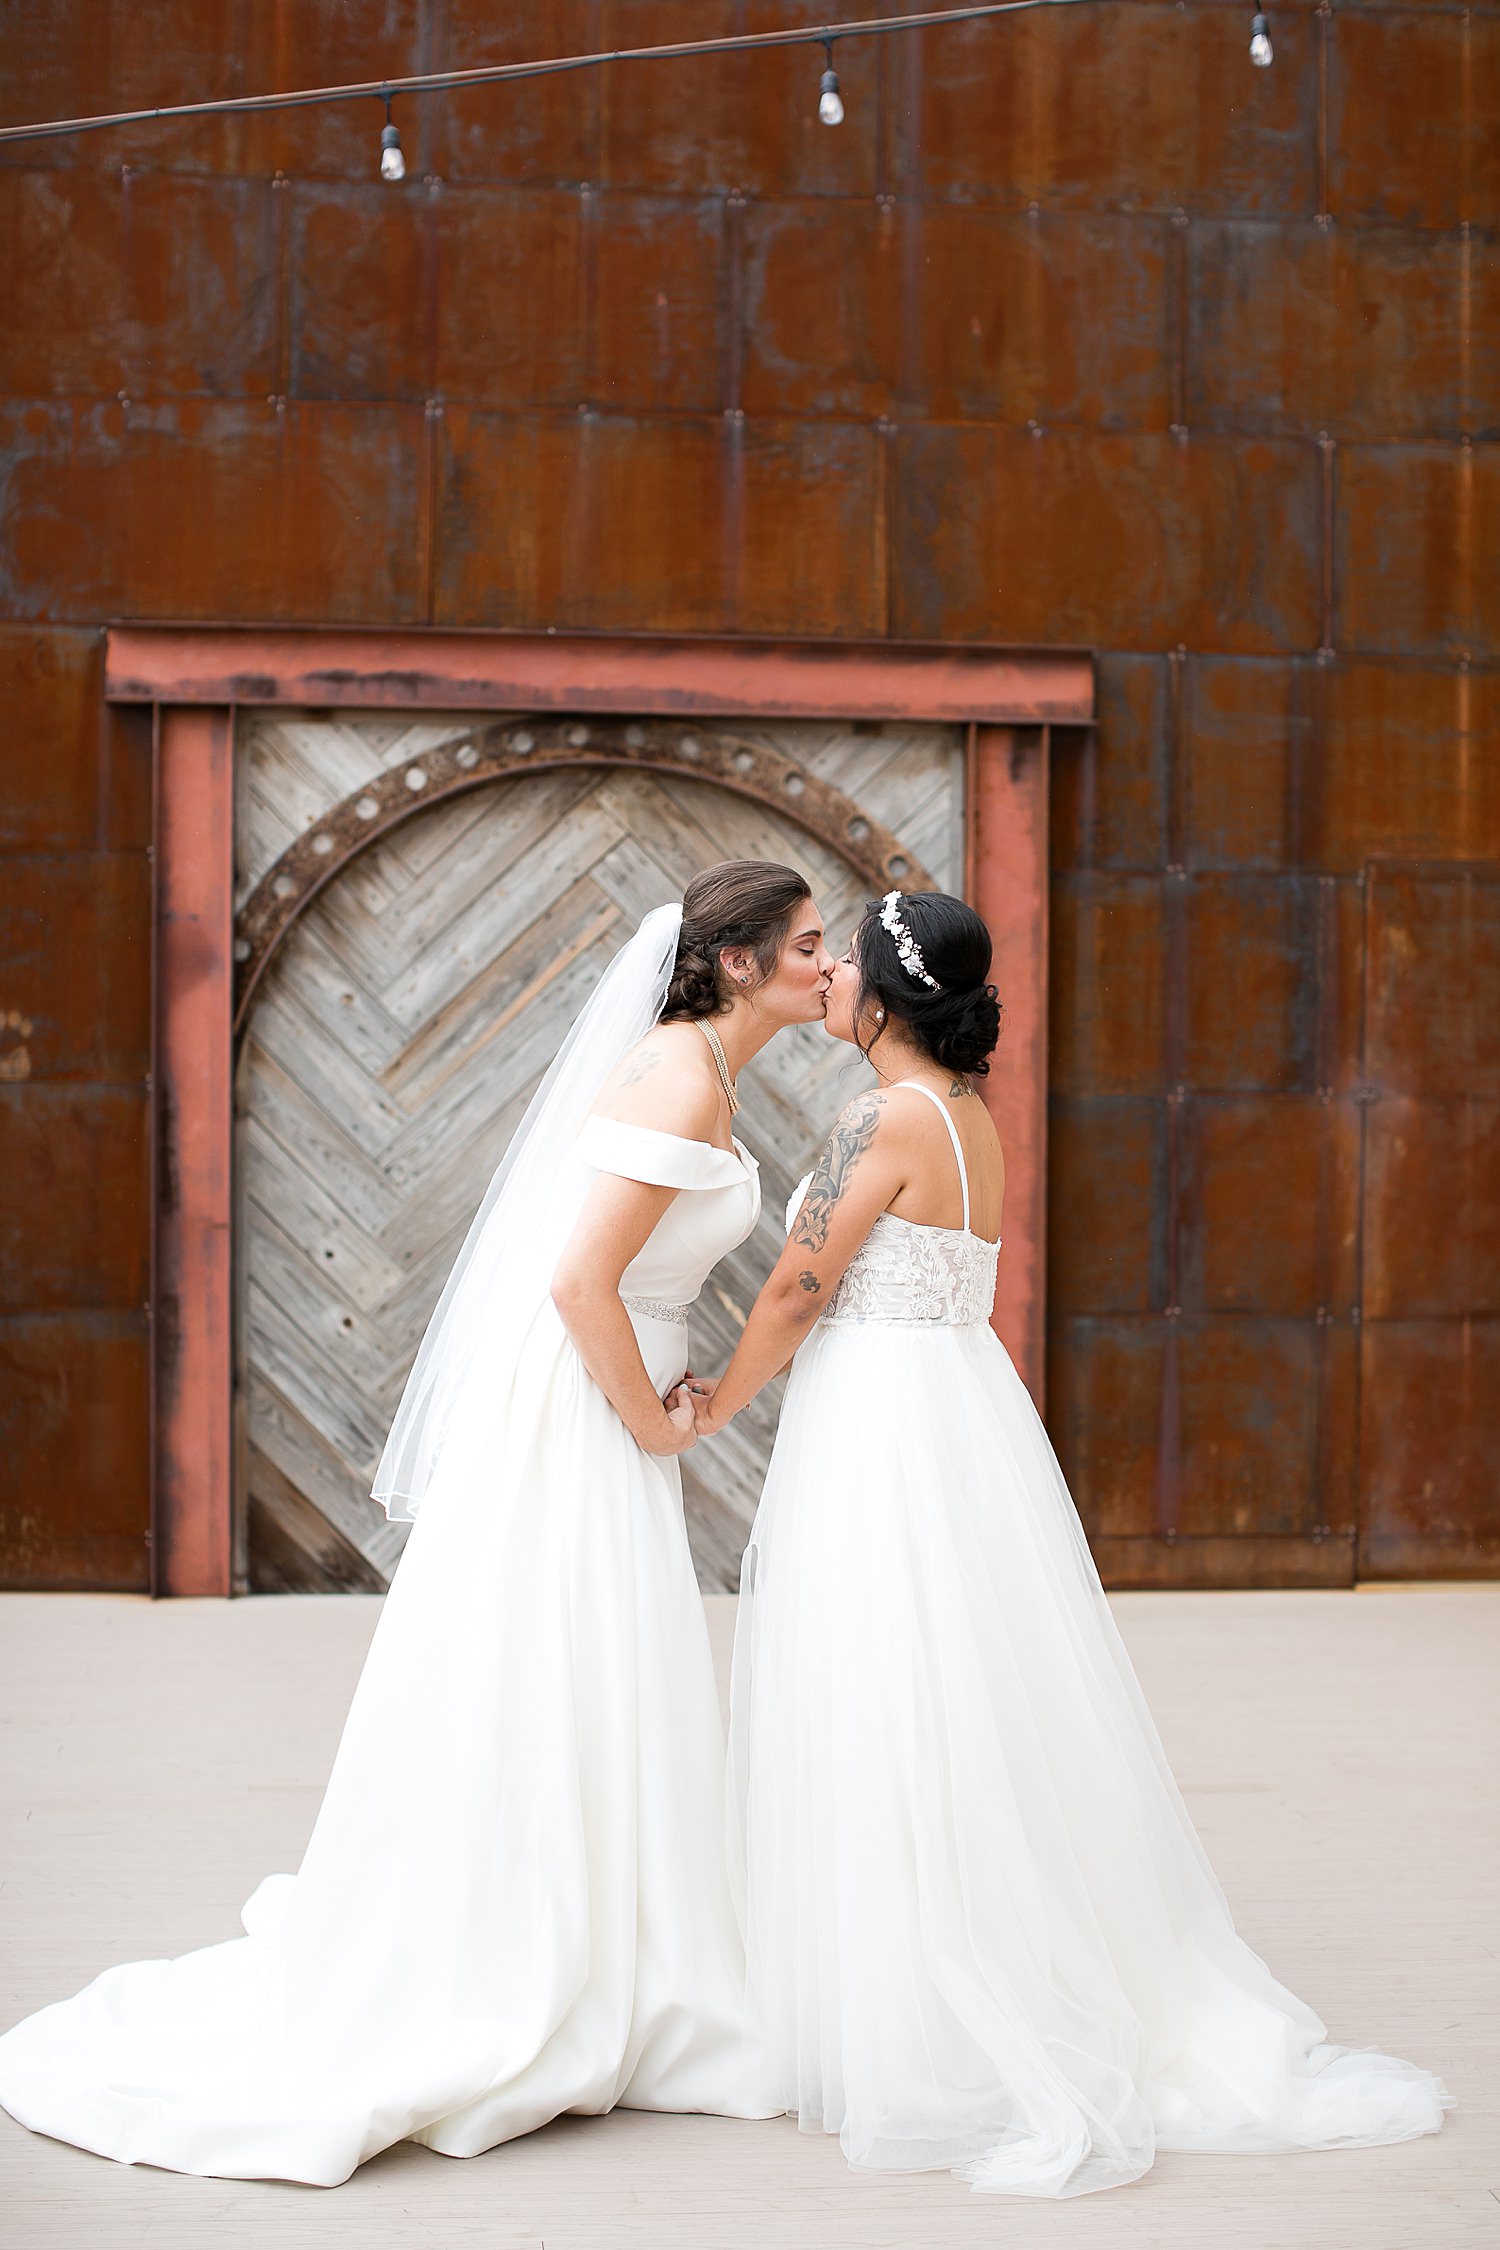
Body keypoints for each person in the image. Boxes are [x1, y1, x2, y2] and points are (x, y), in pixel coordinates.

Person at [0, 862, 834, 2187]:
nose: (822, 962)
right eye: (803, 943)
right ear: (733, 962)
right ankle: (537, 1952)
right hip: (585, 1406)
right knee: (555, 1661)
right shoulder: (678, 1072)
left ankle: (619, 1942)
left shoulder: (708, 1071)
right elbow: (575, 1278)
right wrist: (658, 1423)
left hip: (609, 1396)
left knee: (598, 1672)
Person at [687, 888, 1452, 2199]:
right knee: (960, 1691)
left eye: (843, 965)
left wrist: (711, 1405)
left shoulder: (884, 1116)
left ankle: (920, 2004)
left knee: (888, 1688)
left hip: (887, 1424)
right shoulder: (969, 1117)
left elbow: (800, 1283)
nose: (826, 981)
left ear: (885, 996)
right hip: (958, 1406)